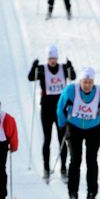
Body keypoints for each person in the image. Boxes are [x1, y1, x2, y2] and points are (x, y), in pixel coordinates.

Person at [57, 67, 100, 199]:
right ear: (80, 81)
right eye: (84, 82)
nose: (87, 85)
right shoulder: (70, 91)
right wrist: (62, 124)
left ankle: (91, 195)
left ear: (93, 82)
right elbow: (60, 107)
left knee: (91, 160)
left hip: (93, 129)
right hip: (74, 128)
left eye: (90, 82)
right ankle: (73, 194)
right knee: (75, 160)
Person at [28, 45, 76, 182]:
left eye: (54, 58)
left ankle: (63, 169)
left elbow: (73, 76)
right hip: (47, 109)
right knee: (47, 138)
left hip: (61, 109)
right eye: (50, 58)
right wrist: (33, 66)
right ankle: (46, 169)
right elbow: (31, 77)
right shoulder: (42, 69)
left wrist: (70, 67)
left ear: (57, 58)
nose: (52, 61)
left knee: (63, 139)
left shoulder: (62, 68)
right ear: (47, 58)